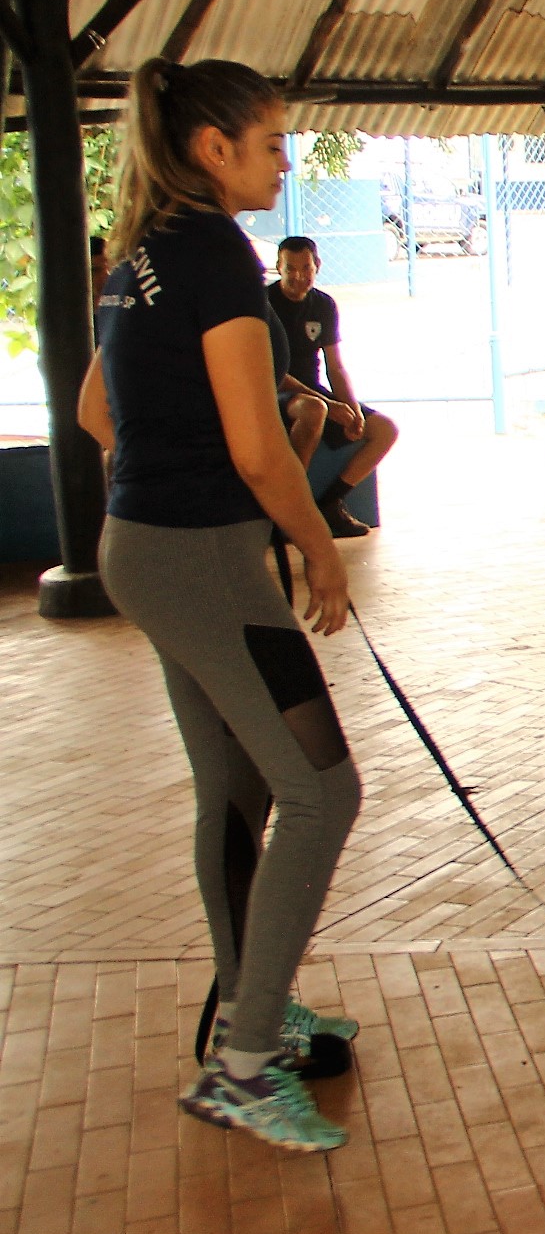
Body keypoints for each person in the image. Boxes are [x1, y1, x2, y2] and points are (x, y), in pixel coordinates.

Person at [79, 56, 364, 1152]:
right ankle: (243, 1068)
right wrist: (317, 550)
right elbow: (258, 447)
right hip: (199, 560)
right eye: (273, 142)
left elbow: (97, 408)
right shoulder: (212, 255)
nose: (286, 162)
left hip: (147, 549)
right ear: (214, 149)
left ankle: (256, 1006)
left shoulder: (139, 252)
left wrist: (160, 486)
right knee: (324, 791)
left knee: (238, 784)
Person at [264, 236, 399, 538]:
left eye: (306, 268)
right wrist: (331, 406)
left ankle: (329, 504)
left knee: (385, 430)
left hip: (314, 391)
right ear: (278, 268)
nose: (299, 276)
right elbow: (273, 371)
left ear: (317, 266)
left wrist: (352, 410)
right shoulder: (263, 303)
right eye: (290, 269)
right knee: (315, 409)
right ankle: (289, 509)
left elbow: (335, 367)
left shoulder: (324, 304)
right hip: (276, 390)